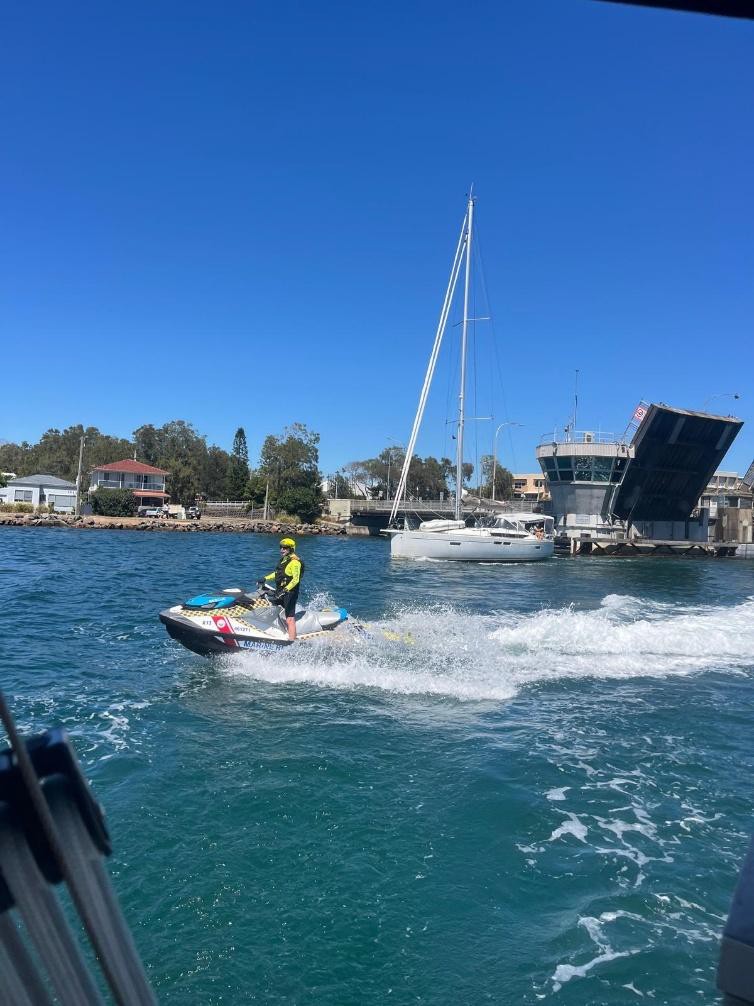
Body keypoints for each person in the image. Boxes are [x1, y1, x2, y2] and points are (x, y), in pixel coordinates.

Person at [257, 538, 304, 641]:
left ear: (291, 549)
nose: (282, 550)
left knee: (289, 618)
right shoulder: (284, 560)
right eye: (281, 547)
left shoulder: (295, 562)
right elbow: (278, 574)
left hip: (290, 593)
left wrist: (285, 590)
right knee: (266, 602)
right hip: (280, 592)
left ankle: (292, 641)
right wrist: (265, 578)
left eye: (285, 548)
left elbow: (296, 580)